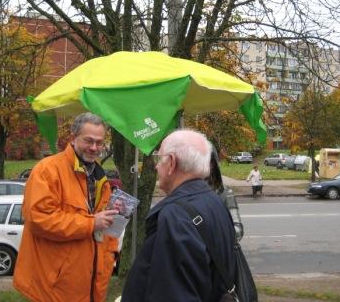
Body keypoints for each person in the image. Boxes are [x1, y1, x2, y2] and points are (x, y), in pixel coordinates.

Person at [13, 112, 119, 302]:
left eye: (99, 142)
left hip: (92, 281)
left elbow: (104, 226)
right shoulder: (47, 170)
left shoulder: (99, 176)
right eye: (88, 141)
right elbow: (39, 219)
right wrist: (91, 223)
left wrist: (110, 254)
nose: (94, 147)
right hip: (55, 286)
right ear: (73, 138)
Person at [121, 129, 236, 302]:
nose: (156, 165)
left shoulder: (174, 215)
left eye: (159, 159)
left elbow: (173, 293)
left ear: (172, 163)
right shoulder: (213, 200)